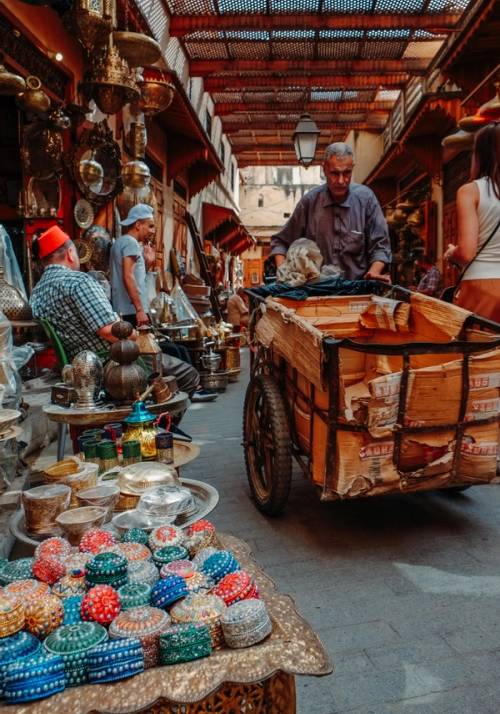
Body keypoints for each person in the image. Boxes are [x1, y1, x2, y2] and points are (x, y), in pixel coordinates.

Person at [30, 225, 201, 398]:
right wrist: (144, 339)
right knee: (189, 375)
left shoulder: (36, 293)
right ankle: (161, 422)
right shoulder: (78, 281)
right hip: (111, 362)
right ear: (70, 253)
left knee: (171, 352)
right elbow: (110, 331)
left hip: (77, 367)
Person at [270, 142, 391, 283]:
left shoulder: (366, 199)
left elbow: (381, 246)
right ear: (324, 170)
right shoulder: (309, 202)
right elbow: (281, 242)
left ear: (352, 168)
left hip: (356, 291)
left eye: (347, 173)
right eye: (334, 173)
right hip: (315, 292)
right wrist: (283, 272)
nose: (341, 181)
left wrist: (374, 271)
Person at [444, 123, 500, 322]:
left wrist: (452, 253)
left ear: (480, 154)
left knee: (481, 351)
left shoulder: (470, 191)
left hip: (482, 287)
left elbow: (467, 252)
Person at [110, 204, 155, 326]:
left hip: (124, 309)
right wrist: (140, 310)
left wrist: (148, 263)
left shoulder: (121, 242)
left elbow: (133, 275)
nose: (153, 231)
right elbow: (128, 276)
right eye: (150, 226)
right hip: (132, 311)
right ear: (138, 225)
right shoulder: (131, 243)